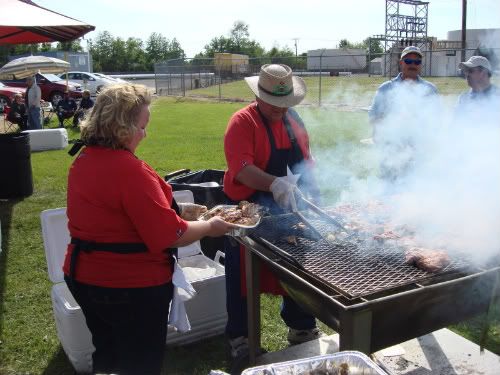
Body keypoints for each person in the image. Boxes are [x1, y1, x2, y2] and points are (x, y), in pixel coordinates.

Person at [62, 83, 234, 375]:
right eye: (142, 126)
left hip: (83, 277)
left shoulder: (86, 158)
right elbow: (171, 235)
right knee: (140, 363)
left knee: (108, 352)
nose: (145, 133)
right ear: (121, 127)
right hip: (127, 287)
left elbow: (116, 211)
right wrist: (209, 227)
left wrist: (178, 210)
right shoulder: (129, 170)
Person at [223, 64, 321, 371]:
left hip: (287, 207)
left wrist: (313, 194)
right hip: (247, 209)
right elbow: (242, 169)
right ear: (259, 95)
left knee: (297, 266)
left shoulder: (294, 120)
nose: (280, 109)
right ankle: (241, 338)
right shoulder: (242, 121)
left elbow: (306, 162)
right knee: (242, 274)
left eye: (285, 103)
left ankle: (302, 327)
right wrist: (274, 184)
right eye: (274, 103)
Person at [368, 46, 438, 142]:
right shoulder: (385, 89)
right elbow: (374, 118)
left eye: (417, 62)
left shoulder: (430, 90)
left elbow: (437, 120)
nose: (412, 65)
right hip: (392, 146)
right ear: (401, 63)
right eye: (408, 61)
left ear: (421, 64)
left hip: (421, 148)